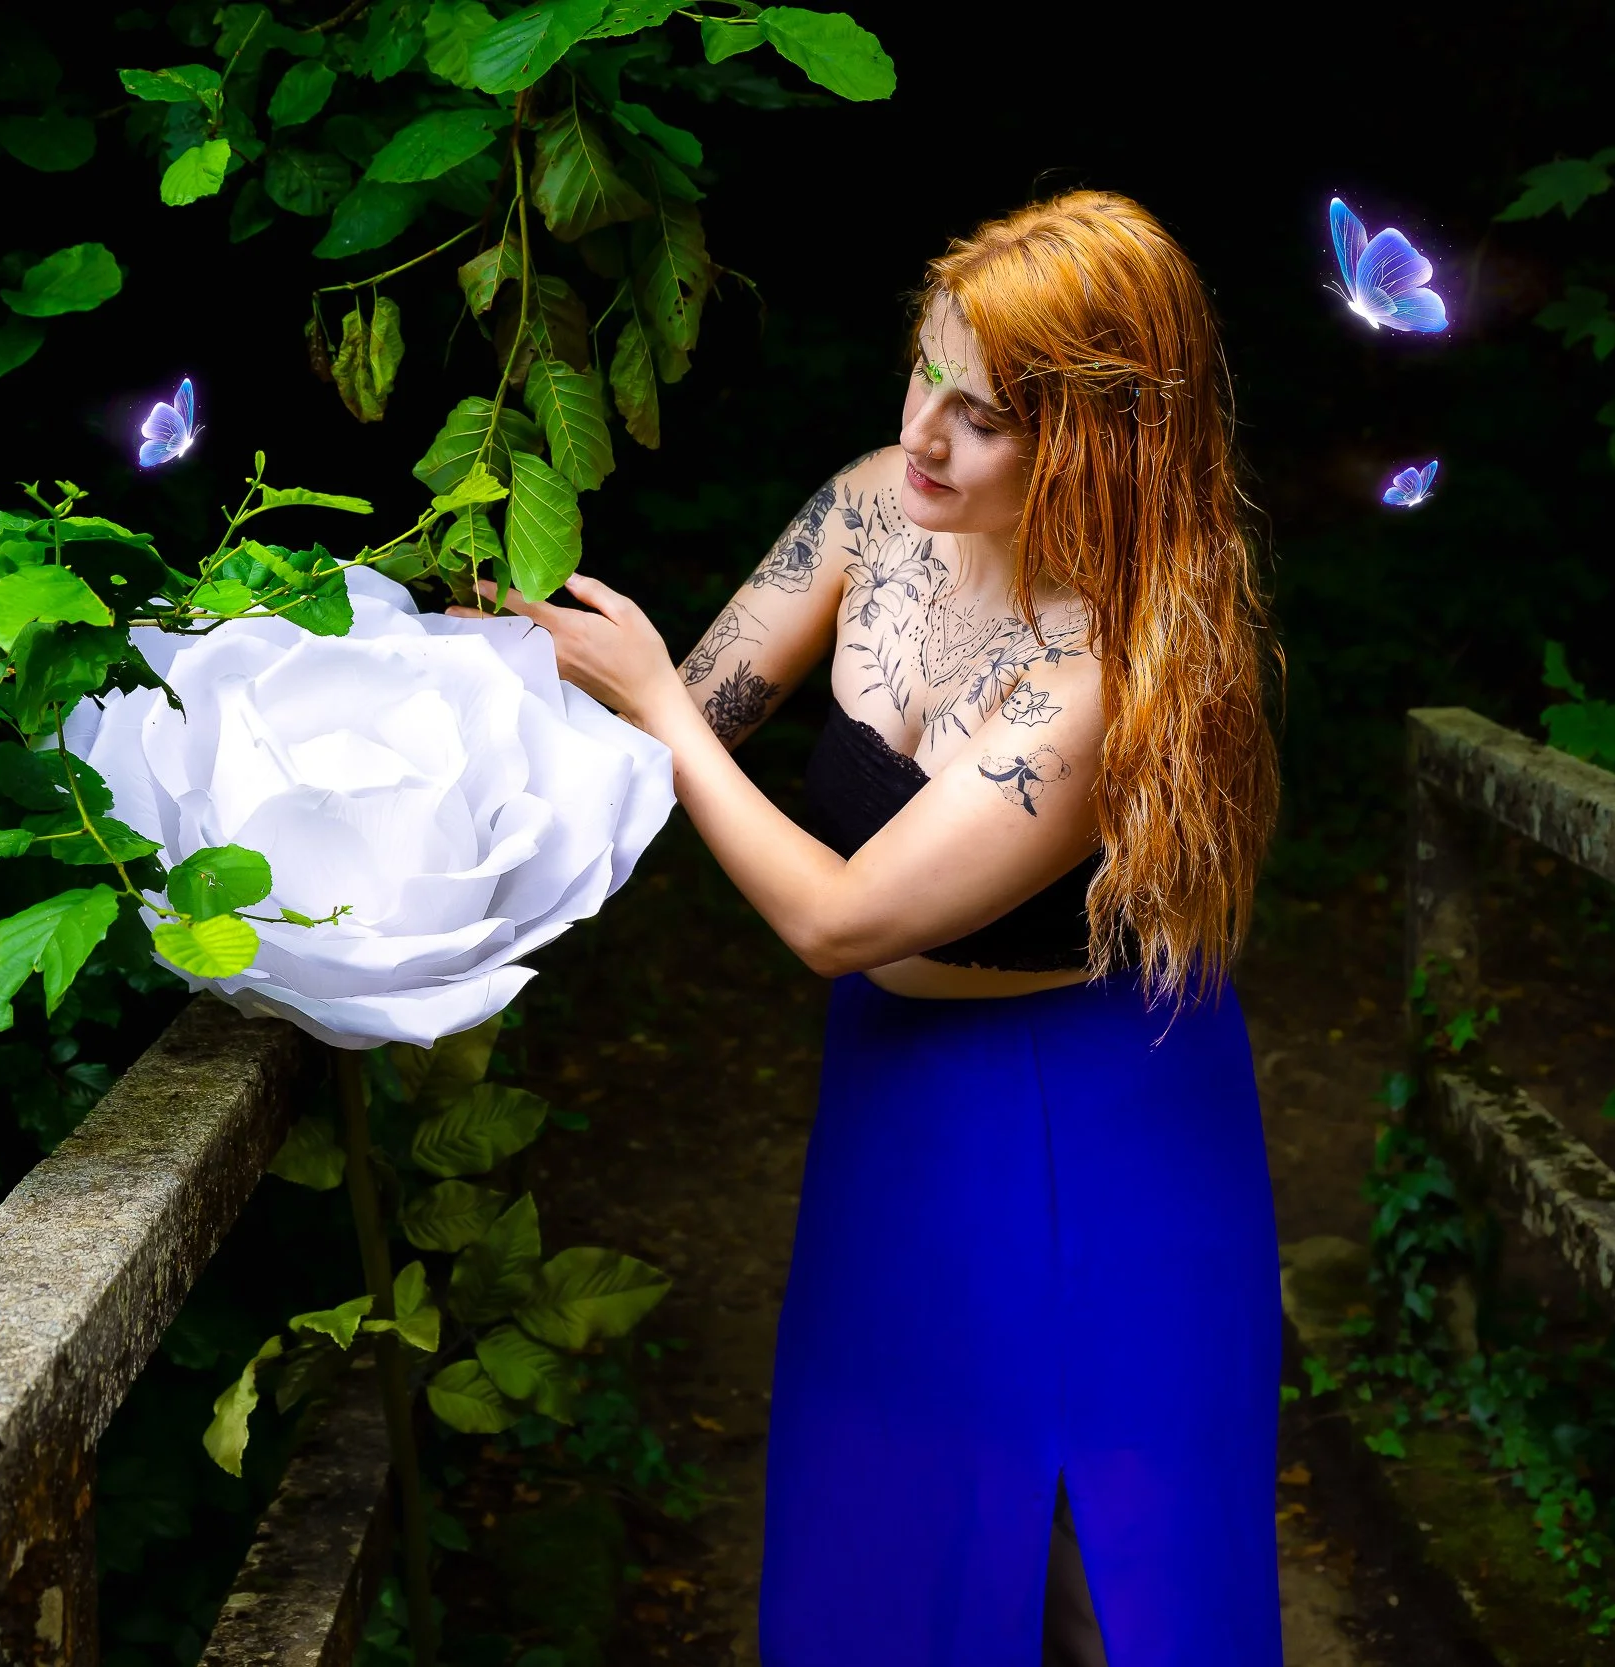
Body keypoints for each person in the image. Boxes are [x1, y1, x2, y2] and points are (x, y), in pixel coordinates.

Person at [461, 191, 1284, 1667]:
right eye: (922, 371)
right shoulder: (872, 506)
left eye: (982, 416)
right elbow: (683, 714)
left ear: (1096, 439)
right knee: (887, 1510)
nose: (924, 432)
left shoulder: (1110, 672)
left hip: (1103, 1114)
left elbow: (833, 915)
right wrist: (434, 683)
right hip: (904, 1075)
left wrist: (651, 701)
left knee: (1132, 1557)